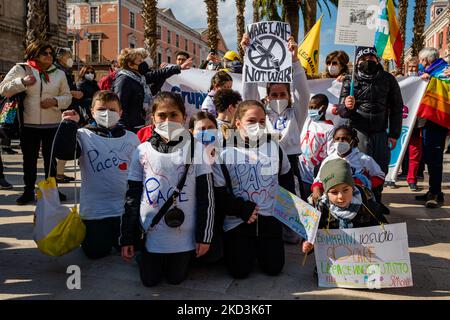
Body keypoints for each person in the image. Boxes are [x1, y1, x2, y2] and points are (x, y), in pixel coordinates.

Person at [120, 92, 215, 287]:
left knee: (175, 279)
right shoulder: (142, 150)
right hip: (151, 233)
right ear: (153, 119)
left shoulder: (197, 150)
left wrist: (204, 237)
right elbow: (132, 196)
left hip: (183, 235)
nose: (168, 120)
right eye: (162, 115)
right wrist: (127, 238)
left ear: (184, 117)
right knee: (150, 281)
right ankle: (144, 257)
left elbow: (207, 197)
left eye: (174, 115)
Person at [53, 90, 139, 259]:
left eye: (113, 110)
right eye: (101, 109)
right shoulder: (83, 134)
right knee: (96, 252)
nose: (107, 113)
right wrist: (69, 125)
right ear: (92, 112)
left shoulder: (132, 138)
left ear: (121, 112)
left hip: (124, 211)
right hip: (94, 212)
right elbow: (64, 153)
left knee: (133, 248)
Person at [213, 100, 293, 279]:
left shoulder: (275, 148)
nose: (258, 126)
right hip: (238, 223)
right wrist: (239, 208)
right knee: (240, 272)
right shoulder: (223, 152)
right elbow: (218, 192)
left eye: (262, 121)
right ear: (238, 122)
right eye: (251, 121)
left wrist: (289, 212)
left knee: (274, 269)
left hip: (270, 222)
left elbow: (286, 179)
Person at [0, 41, 72, 205]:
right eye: (44, 53)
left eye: (50, 53)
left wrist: (55, 101)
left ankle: (52, 191)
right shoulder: (21, 68)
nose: (49, 56)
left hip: (52, 124)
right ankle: (28, 191)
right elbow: (3, 89)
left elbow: (67, 97)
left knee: (50, 159)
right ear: (35, 53)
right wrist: (22, 82)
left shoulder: (59, 73)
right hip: (27, 124)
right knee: (29, 160)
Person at [337, 46, 403, 201]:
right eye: (363, 58)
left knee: (380, 168)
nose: (368, 61)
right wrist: (347, 105)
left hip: (380, 131)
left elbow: (397, 108)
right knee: (362, 167)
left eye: (371, 58)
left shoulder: (388, 79)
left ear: (377, 59)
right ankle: (364, 201)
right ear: (358, 61)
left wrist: (394, 134)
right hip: (359, 131)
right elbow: (342, 111)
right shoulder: (350, 79)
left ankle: (377, 200)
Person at [301, 159, 387, 255]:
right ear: (326, 192)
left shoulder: (365, 202)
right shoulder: (321, 208)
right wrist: (308, 245)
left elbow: (380, 223)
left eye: (345, 190)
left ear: (352, 187)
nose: (341, 196)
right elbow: (313, 233)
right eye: (334, 192)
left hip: (362, 259)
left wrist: (384, 234)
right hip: (332, 261)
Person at [113, 48, 192, 133]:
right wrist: (124, 131)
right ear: (130, 65)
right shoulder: (124, 80)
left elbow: (156, 77)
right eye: (140, 62)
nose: (143, 64)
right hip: (130, 128)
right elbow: (119, 107)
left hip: (140, 124)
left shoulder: (139, 78)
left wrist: (178, 68)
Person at [311, 125, 386, 206]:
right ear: (333, 140)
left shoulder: (363, 159)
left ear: (352, 141)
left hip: (359, 201)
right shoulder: (328, 160)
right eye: (337, 139)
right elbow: (318, 181)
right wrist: (316, 188)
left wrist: (364, 183)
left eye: (345, 139)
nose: (340, 142)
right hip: (334, 201)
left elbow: (380, 176)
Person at [415, 47, 450, 208]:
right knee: (429, 156)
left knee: (434, 157)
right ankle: (433, 190)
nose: (420, 64)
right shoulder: (432, 73)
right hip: (427, 120)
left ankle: (435, 193)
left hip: (437, 120)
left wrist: (431, 81)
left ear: (427, 61)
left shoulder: (444, 71)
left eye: (421, 61)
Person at [54, 47, 83, 184]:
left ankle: (60, 173)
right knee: (63, 141)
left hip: (68, 108)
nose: (71, 58)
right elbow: (57, 91)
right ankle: (57, 174)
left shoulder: (65, 71)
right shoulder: (57, 71)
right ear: (60, 57)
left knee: (66, 141)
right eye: (68, 56)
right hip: (61, 110)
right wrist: (73, 93)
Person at [298, 94, 335, 196]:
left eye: (313, 108)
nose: (310, 111)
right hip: (303, 176)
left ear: (323, 108)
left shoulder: (330, 129)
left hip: (318, 179)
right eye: (309, 107)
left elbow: (331, 154)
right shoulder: (308, 121)